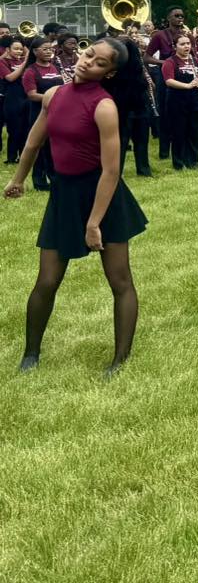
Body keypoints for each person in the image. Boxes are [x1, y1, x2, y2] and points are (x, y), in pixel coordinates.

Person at [7, 38, 149, 375]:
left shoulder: (104, 106)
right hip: (64, 195)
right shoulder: (54, 95)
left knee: (120, 281)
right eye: (89, 54)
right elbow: (33, 142)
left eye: (99, 63)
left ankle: (120, 360)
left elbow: (111, 171)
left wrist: (94, 223)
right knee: (46, 280)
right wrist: (18, 179)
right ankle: (31, 354)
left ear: (109, 73)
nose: (88, 62)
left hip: (103, 196)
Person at [143, 7, 188, 161]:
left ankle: (182, 150)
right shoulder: (159, 36)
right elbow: (147, 58)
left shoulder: (186, 36)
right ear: (169, 18)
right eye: (176, 15)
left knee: (182, 114)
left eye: (182, 16)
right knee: (165, 114)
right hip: (166, 78)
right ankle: (164, 152)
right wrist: (166, 63)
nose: (180, 18)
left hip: (184, 78)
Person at [21, 40, 66, 190]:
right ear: (35, 52)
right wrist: (53, 97)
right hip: (38, 113)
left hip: (57, 112)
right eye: (44, 49)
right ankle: (39, 181)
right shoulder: (30, 71)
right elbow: (32, 95)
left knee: (53, 147)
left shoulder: (55, 67)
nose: (48, 51)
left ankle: (55, 178)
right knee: (39, 147)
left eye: (50, 49)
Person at [161, 33, 198, 170]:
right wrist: (187, 86)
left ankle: (193, 162)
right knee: (178, 132)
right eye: (182, 44)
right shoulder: (170, 62)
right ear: (175, 46)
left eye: (188, 43)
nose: (186, 46)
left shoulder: (197, 61)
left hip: (195, 100)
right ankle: (178, 163)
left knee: (194, 131)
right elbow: (169, 81)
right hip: (177, 101)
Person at [2, 36, 34, 164]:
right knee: (14, 129)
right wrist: (24, 63)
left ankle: (22, 156)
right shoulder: (3, 62)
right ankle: (11, 157)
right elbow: (10, 78)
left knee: (25, 128)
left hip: (25, 97)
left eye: (21, 49)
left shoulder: (22, 60)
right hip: (12, 98)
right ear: (8, 49)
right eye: (16, 49)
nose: (19, 52)